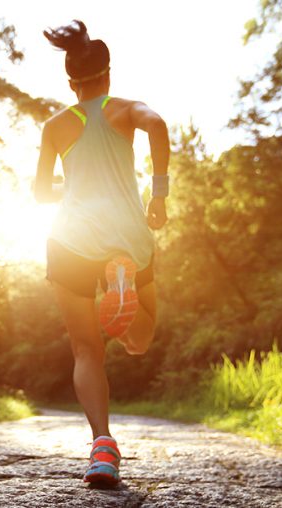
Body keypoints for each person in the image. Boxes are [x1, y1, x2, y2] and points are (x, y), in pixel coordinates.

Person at [35, 20, 170, 487]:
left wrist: (72, 188)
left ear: (71, 83)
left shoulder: (54, 127)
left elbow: (39, 192)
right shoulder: (127, 109)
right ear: (107, 75)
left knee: (86, 349)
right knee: (139, 340)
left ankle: (103, 446)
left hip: (71, 238)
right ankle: (122, 282)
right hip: (127, 235)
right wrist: (159, 194)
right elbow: (158, 126)